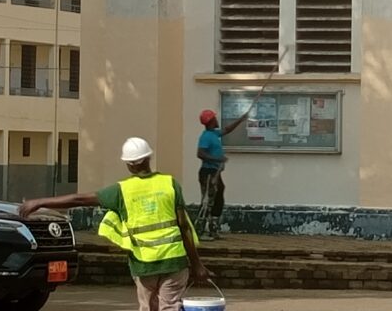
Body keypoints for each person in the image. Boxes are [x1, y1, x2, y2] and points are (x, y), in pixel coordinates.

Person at [18, 137, 211, 311]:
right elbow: (184, 226)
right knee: (170, 307)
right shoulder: (170, 184)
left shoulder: (122, 191)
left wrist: (40, 202)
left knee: (148, 307)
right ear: (149, 158)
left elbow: (79, 200)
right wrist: (197, 264)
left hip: (144, 265)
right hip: (175, 262)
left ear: (128, 164)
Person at [197, 109, 248, 240]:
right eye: (214, 117)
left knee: (219, 196)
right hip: (208, 173)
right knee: (207, 201)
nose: (217, 119)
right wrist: (218, 159)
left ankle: (213, 229)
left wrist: (241, 119)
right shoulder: (206, 137)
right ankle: (200, 231)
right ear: (211, 121)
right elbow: (200, 153)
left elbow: (227, 130)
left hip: (215, 172)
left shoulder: (213, 134)